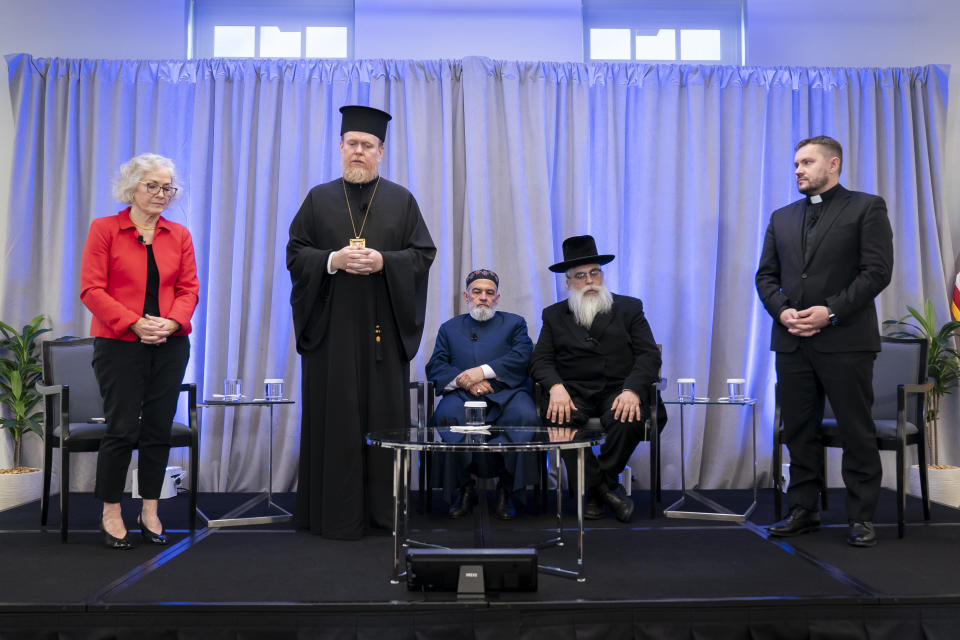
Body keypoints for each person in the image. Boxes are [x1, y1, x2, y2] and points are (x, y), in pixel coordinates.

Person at [286, 105, 436, 540]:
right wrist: (332, 259)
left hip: (381, 334)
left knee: (383, 420)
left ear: (381, 151)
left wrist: (383, 261)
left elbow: (422, 255)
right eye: (351, 144)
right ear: (339, 147)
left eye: (367, 145)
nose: (358, 152)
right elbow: (296, 254)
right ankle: (334, 515)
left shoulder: (401, 200)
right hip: (331, 332)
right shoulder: (318, 197)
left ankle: (385, 515)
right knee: (336, 418)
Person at [756, 135, 894, 547]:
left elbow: (876, 272)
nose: (798, 169)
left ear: (833, 164)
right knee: (799, 430)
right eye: (796, 163)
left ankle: (862, 517)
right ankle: (804, 510)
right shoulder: (781, 216)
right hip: (792, 340)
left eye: (807, 162)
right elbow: (766, 276)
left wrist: (829, 312)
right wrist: (782, 310)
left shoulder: (867, 207)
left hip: (846, 340)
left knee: (856, 431)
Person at [80, 153, 199, 550]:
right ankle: (111, 510)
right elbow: (91, 290)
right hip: (119, 344)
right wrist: (133, 321)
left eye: (168, 188)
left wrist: (171, 322)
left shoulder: (179, 235)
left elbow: (189, 289)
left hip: (169, 343)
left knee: (157, 429)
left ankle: (150, 508)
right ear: (131, 188)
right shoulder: (104, 230)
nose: (162, 194)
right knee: (122, 428)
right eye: (153, 186)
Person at [530, 235, 666, 523]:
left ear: (602, 275)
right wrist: (555, 387)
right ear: (568, 283)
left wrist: (631, 390)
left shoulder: (629, 308)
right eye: (580, 276)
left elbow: (648, 356)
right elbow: (540, 360)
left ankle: (594, 488)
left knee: (628, 416)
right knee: (558, 420)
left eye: (594, 273)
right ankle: (607, 490)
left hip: (618, 389)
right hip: (573, 392)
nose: (589, 280)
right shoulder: (554, 316)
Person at [425, 269, 541, 520]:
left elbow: (522, 356)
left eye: (489, 293)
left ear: (497, 299)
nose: (483, 297)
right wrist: (467, 382)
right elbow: (436, 365)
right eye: (477, 292)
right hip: (463, 395)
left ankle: (507, 489)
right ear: (467, 296)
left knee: (525, 415)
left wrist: (482, 372)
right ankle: (465, 488)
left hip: (507, 393)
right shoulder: (449, 328)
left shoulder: (515, 323)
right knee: (446, 414)